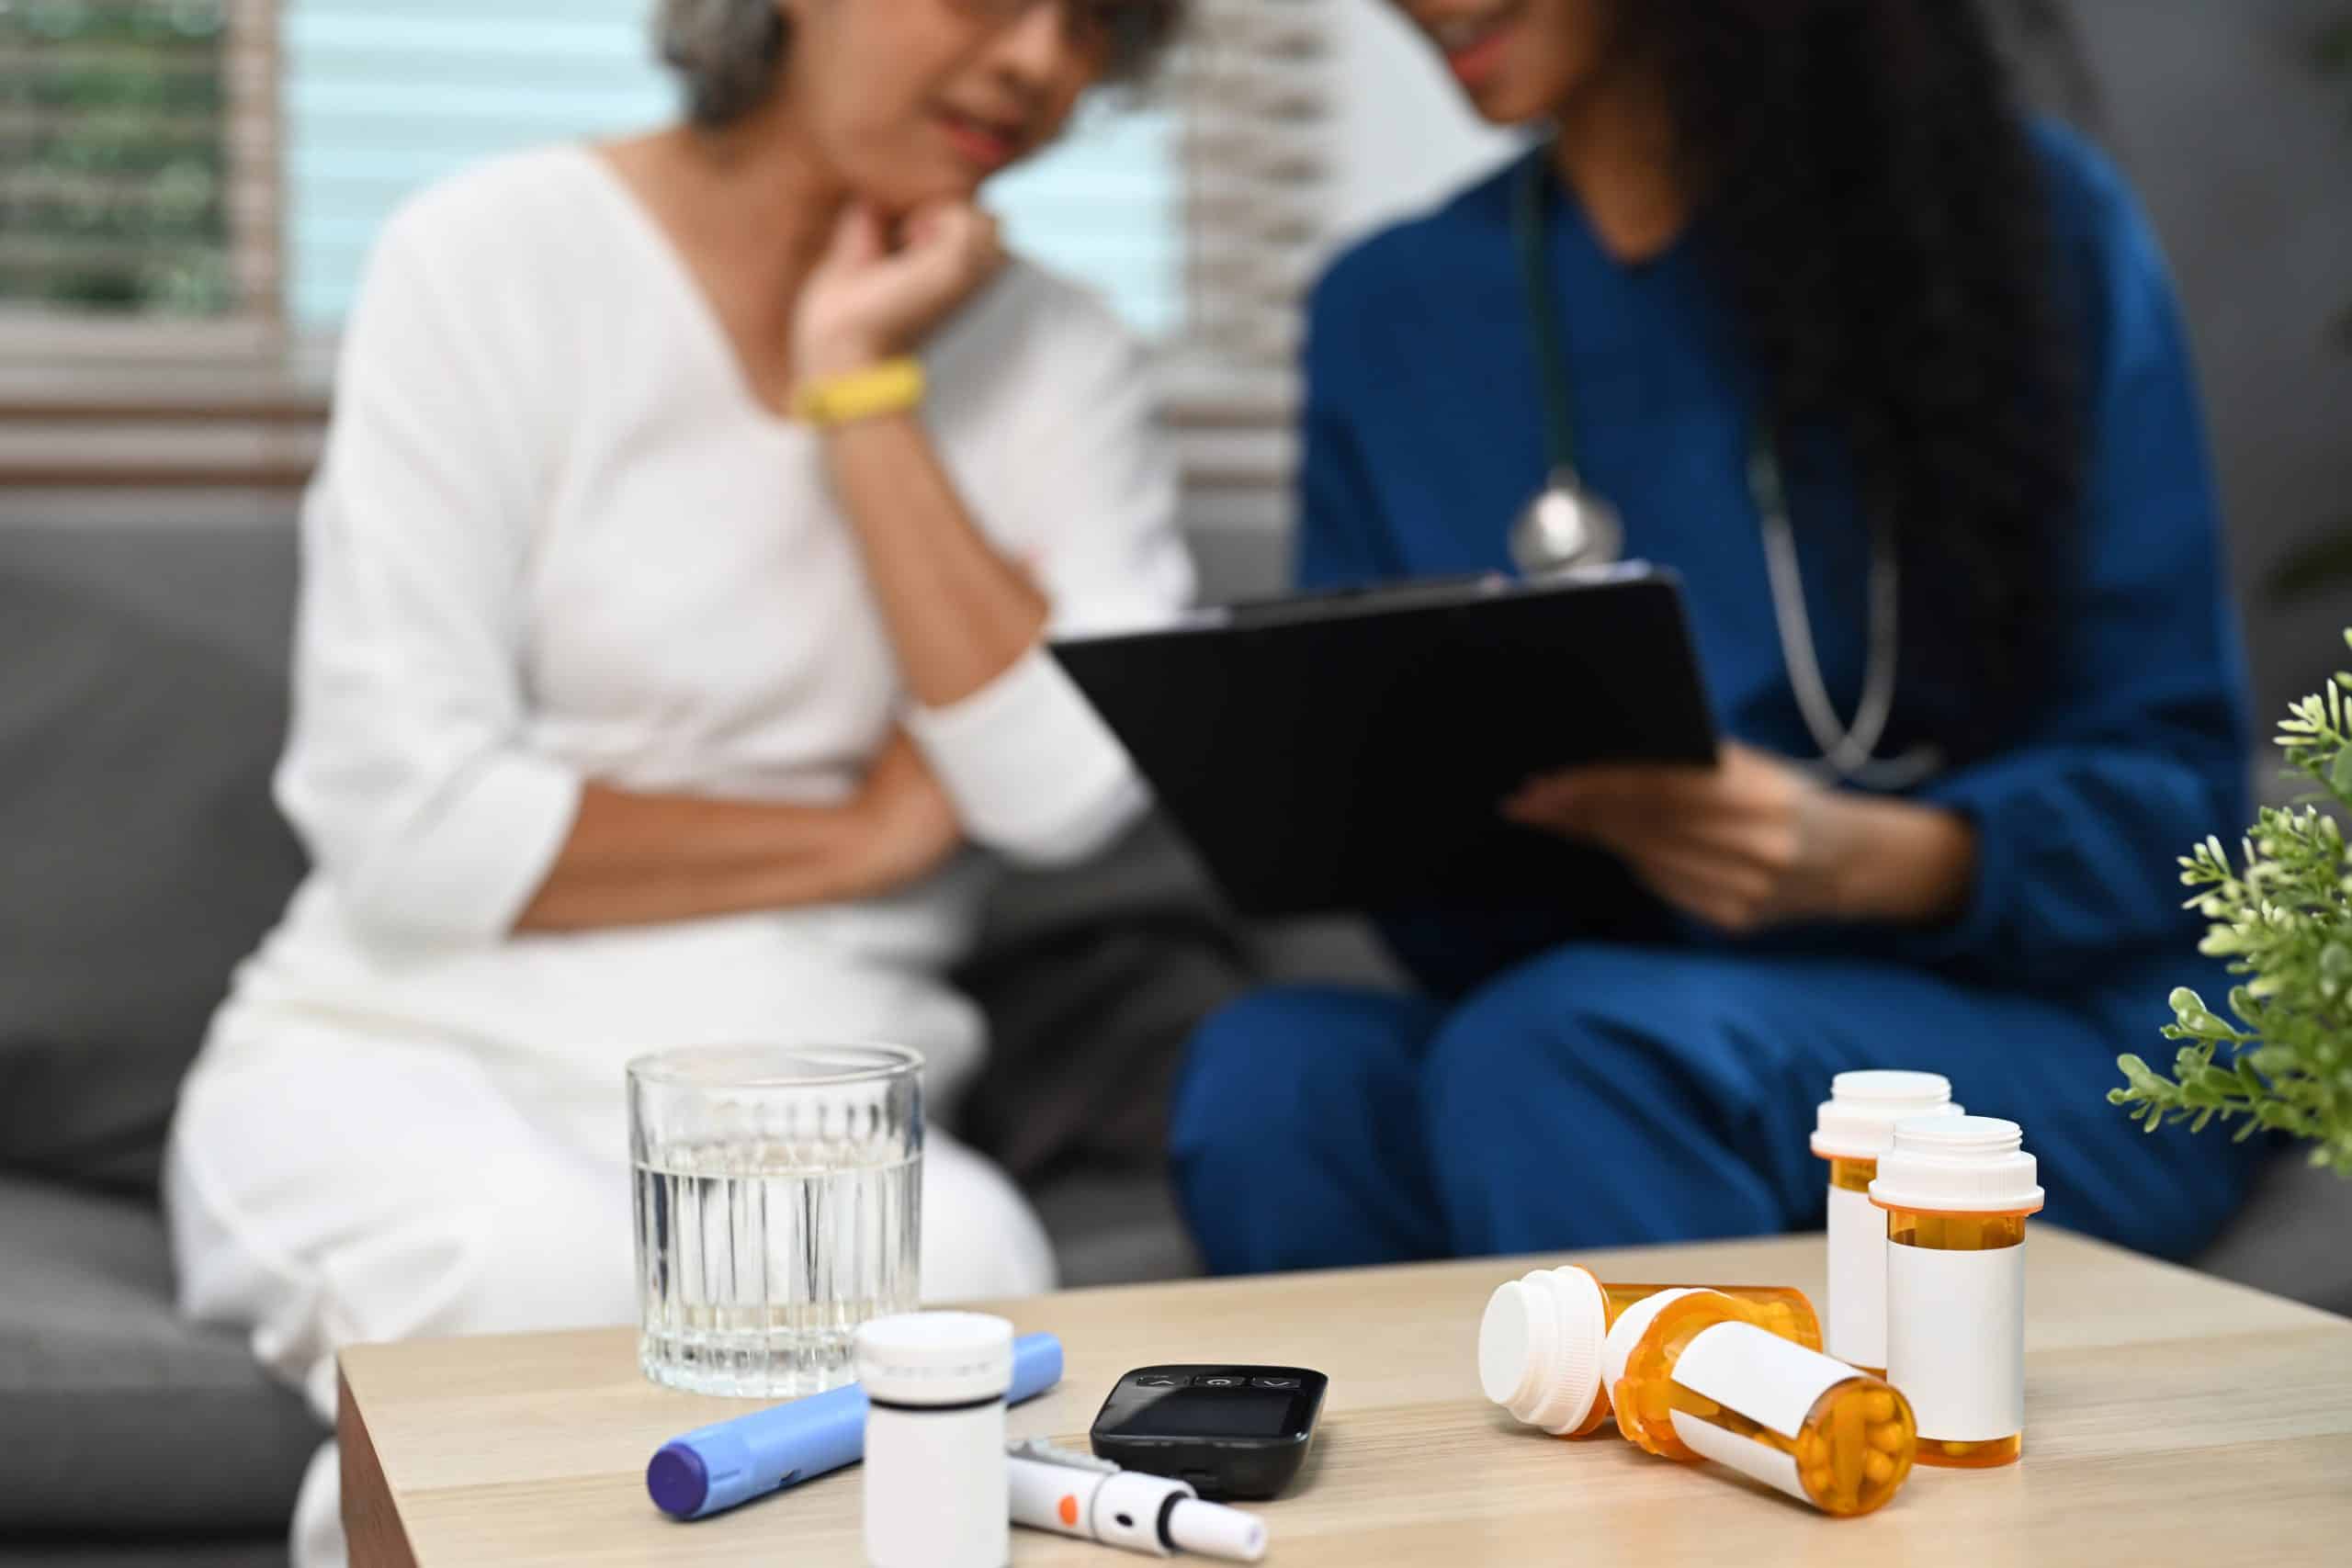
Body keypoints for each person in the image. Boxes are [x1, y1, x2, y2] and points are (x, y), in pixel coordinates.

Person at [164, 1, 1188, 1562]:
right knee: (542, 1270)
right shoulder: (489, 257)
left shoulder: (1066, 357)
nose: (1044, 61)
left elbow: (1057, 792)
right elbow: (406, 822)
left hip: (814, 1114)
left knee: (973, 1269)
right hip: (408, 1051)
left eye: (1097, 20)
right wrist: (866, 832)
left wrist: (862, 396)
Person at [1172, 0, 2258, 1274]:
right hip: (1580, 1020)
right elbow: (1420, 889)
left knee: (1572, 1051)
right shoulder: (1389, 312)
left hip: (2043, 1020)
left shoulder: (2024, 223)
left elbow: (2180, 802)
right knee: (1273, 1084)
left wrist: (1881, 862)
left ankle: (1689, 1464)